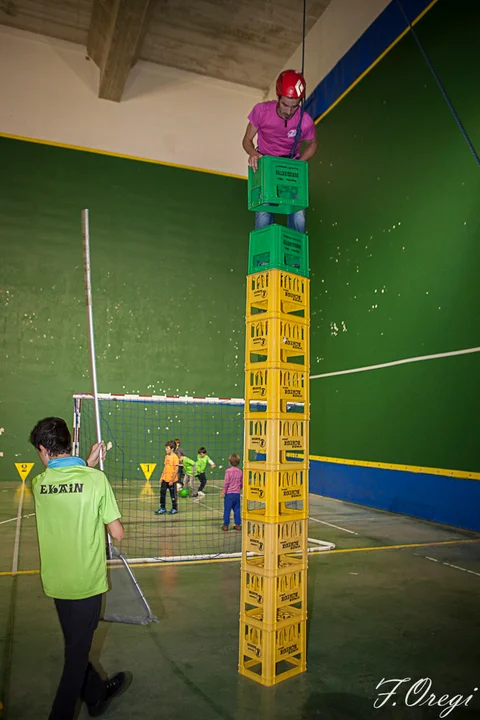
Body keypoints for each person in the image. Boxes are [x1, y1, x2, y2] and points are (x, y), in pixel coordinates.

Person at [29, 416, 131, 720]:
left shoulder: (38, 484)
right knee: (75, 659)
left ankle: (97, 694)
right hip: (86, 583)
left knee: (75, 645)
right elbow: (117, 533)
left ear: (44, 449)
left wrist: (86, 463)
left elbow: (64, 482)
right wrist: (89, 468)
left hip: (57, 582)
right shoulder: (95, 481)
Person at [242, 69, 318, 233]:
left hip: (290, 167)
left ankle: (295, 249)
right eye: (285, 104)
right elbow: (246, 140)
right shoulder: (261, 112)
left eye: (294, 106)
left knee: (299, 216)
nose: (288, 112)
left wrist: (299, 163)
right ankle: (263, 250)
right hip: (266, 165)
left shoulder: (305, 121)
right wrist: (253, 153)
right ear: (278, 97)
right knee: (263, 214)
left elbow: (312, 144)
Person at [155, 440, 179, 515]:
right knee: (162, 493)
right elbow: (165, 467)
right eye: (165, 448)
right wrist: (162, 477)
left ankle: (174, 508)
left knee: (173, 495)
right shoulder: (166, 456)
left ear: (172, 449)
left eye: (167, 448)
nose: (165, 449)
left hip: (172, 480)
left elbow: (176, 470)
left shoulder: (175, 457)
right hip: (165, 479)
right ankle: (162, 508)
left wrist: (172, 480)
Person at [221, 453, 243, 531]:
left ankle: (225, 525)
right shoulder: (240, 471)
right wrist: (239, 489)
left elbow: (226, 482)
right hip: (237, 494)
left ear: (229, 462)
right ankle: (238, 525)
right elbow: (242, 483)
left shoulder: (228, 471)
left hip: (229, 494)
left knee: (227, 509)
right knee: (237, 509)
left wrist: (223, 492)